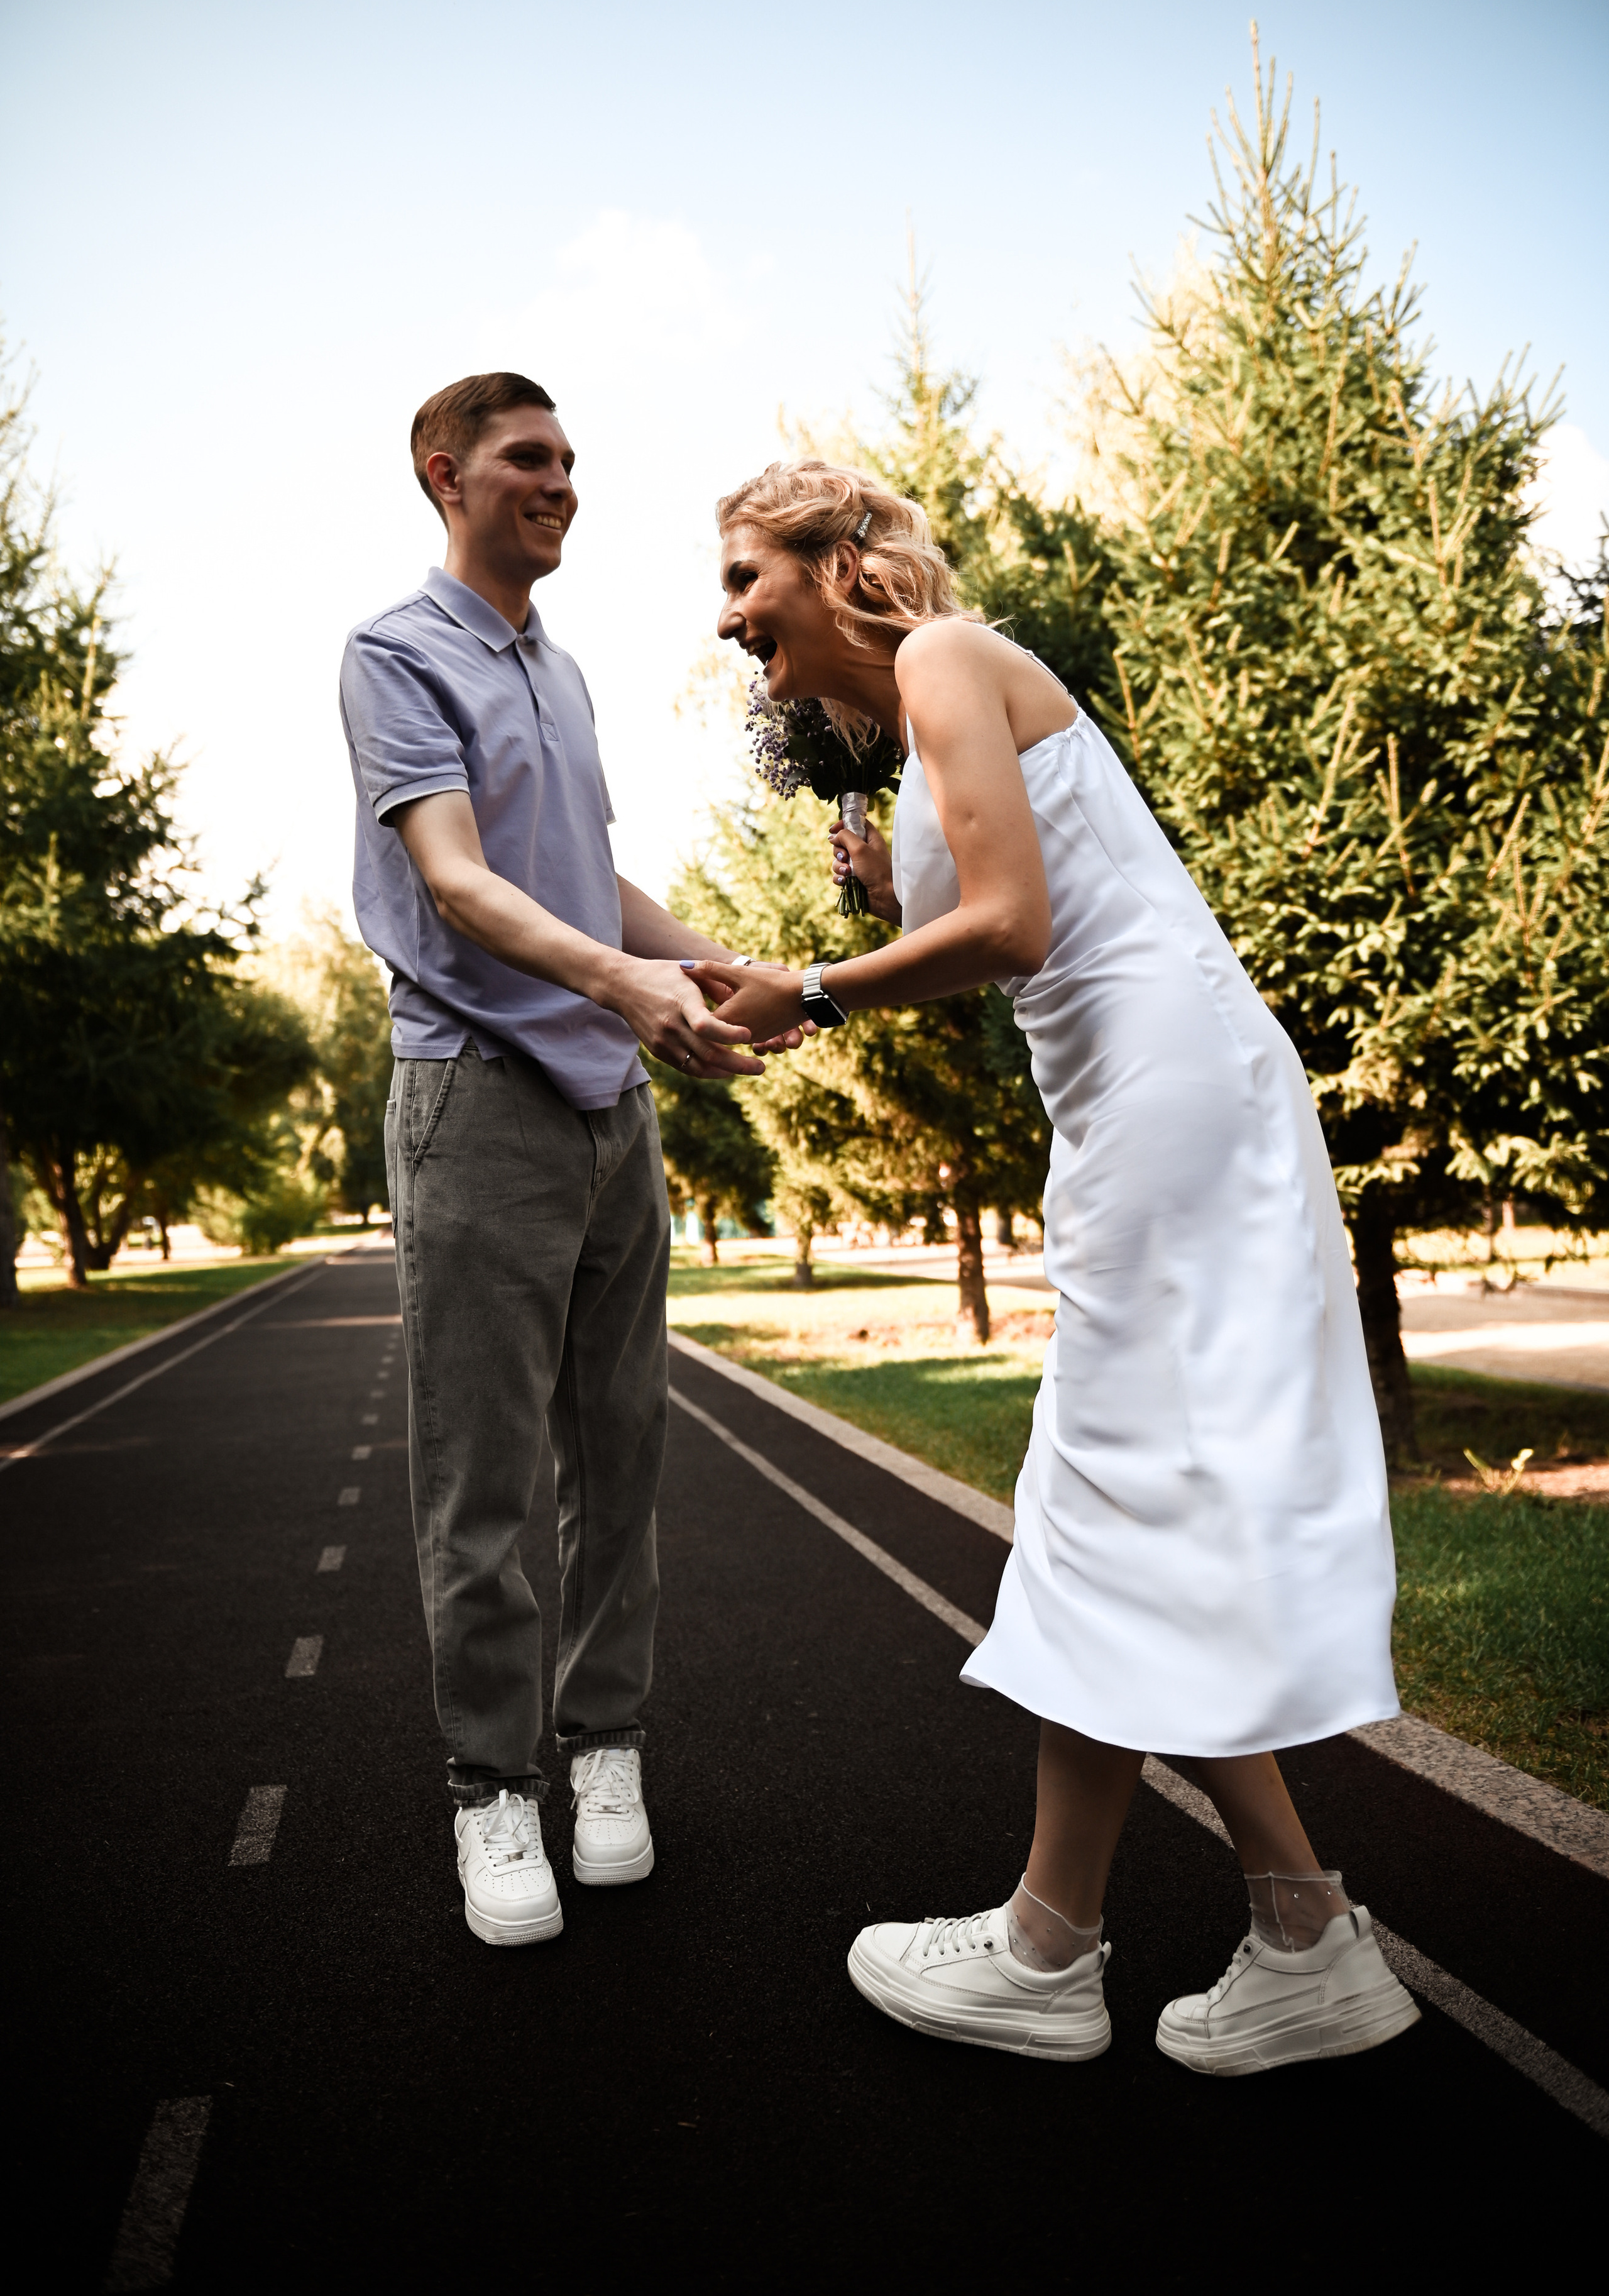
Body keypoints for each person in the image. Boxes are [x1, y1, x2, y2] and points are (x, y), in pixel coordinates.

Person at [700, 458, 1419, 2073]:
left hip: (1168, 1102)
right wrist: (893, 899)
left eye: (746, 575)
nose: (729, 614)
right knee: (1129, 1501)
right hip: (1144, 1102)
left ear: (838, 564)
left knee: (1105, 1493)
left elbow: (1018, 926)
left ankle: (1050, 1946)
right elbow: (1019, 916)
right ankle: (1297, 1929)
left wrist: (813, 983)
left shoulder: (948, 653)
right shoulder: (924, 715)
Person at [339, 373, 790, 1949]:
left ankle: (603, 1756)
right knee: (485, 1474)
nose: (562, 483)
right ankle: (489, 1787)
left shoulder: (564, 670)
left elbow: (585, 879)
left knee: (623, 1453)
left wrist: (720, 970)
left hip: (614, 1107)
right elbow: (457, 884)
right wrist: (627, 988)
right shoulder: (395, 654)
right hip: (477, 1098)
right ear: (442, 471)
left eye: (571, 461)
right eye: (530, 459)